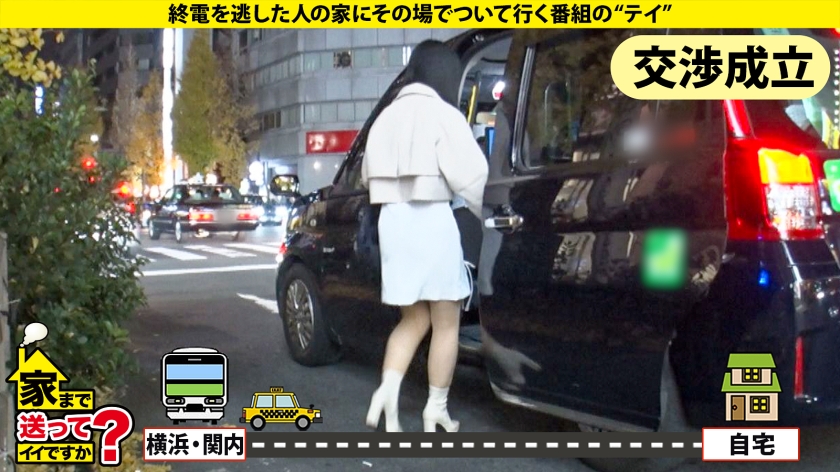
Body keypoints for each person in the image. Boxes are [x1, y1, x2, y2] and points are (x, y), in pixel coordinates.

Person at [361, 40, 489, 433]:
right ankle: (436, 409)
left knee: (413, 319)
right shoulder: (444, 115)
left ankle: (386, 395)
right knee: (446, 321)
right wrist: (489, 216)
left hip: (393, 223)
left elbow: (366, 177)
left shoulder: (384, 117)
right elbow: (473, 178)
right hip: (432, 220)